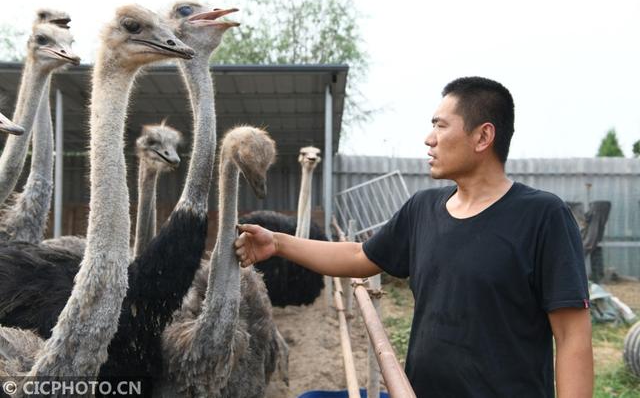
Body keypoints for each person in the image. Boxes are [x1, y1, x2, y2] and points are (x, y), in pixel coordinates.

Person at [235, 77, 593, 397]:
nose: (429, 138)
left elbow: (572, 336)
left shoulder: (542, 217)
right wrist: (278, 242)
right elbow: (360, 255)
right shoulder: (423, 209)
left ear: (483, 136)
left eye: (440, 125)